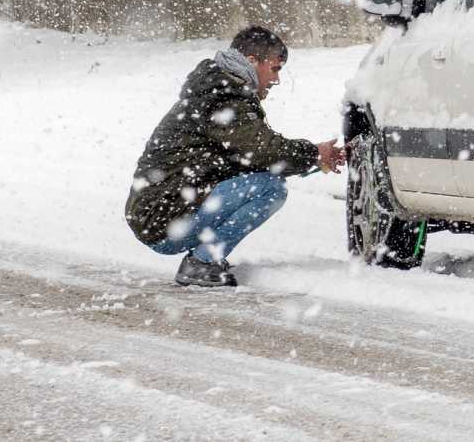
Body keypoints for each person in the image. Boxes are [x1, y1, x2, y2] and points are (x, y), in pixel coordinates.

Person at [126, 25, 345, 287]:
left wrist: (312, 159)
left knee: (264, 180)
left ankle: (204, 259)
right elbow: (263, 150)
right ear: (252, 61)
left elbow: (251, 159)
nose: (276, 80)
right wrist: (313, 152)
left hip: (160, 216)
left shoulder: (218, 89)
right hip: (163, 221)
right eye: (275, 69)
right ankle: (201, 263)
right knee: (270, 189)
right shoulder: (223, 97)